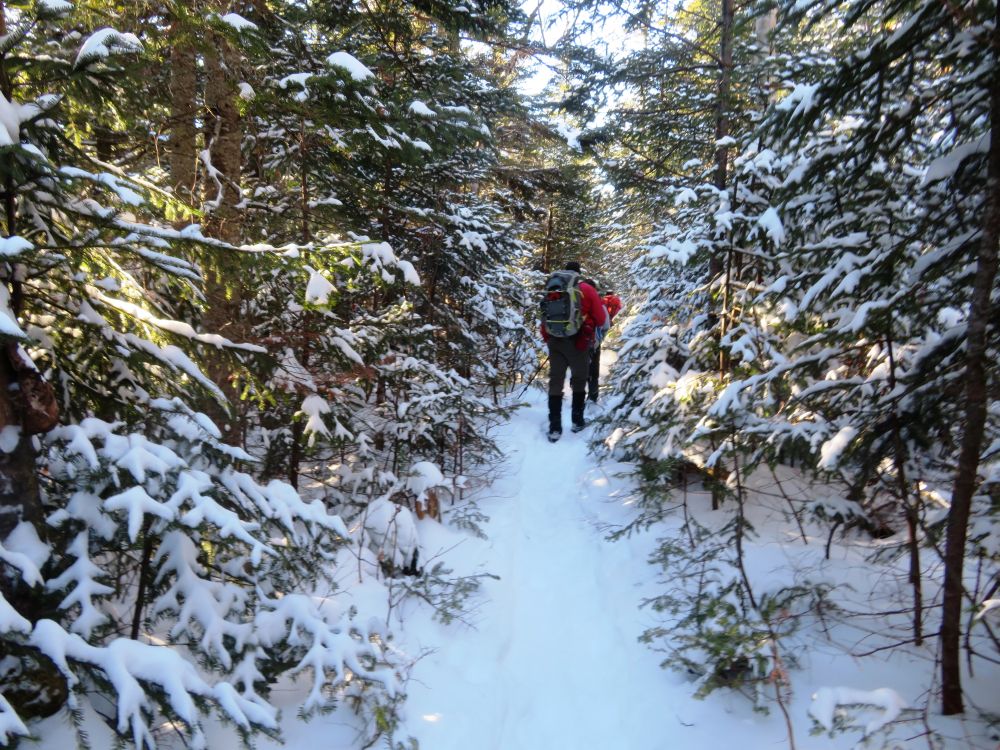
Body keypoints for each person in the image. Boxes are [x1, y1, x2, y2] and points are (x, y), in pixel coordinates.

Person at [540, 262, 606, 441]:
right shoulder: (587, 289)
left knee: (556, 381)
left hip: (555, 341)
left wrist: (550, 339)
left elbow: (544, 316)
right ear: (578, 273)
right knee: (579, 380)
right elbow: (601, 319)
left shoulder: (554, 287)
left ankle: (555, 428)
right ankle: (577, 421)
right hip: (578, 342)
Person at [586, 286, 622, 403]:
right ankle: (593, 395)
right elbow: (618, 310)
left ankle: (578, 392)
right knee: (594, 367)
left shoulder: (602, 300)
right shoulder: (615, 300)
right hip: (598, 335)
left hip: (582, 339)